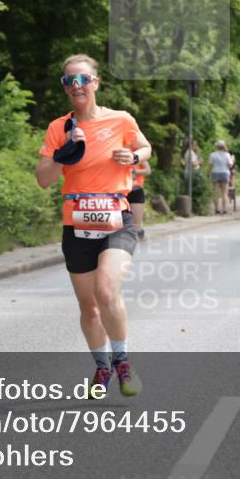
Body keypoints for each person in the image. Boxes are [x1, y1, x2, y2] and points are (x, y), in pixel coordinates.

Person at [35, 54, 150, 398]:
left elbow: (145, 147)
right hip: (77, 224)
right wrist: (61, 156)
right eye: (69, 81)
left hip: (117, 220)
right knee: (89, 308)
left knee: (105, 290)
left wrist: (134, 157)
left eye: (82, 79)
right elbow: (43, 179)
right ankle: (102, 367)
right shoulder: (60, 128)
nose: (76, 87)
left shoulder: (121, 120)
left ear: (95, 83)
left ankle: (124, 363)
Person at [207, 140, 234, 215]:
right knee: (224, 193)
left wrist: (208, 174)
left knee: (215, 192)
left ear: (217, 147)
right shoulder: (227, 155)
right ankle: (224, 209)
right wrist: (233, 160)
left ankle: (216, 209)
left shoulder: (213, 154)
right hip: (224, 173)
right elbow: (230, 166)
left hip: (215, 173)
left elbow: (210, 166)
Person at [129, 158, 151, 240]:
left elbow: (148, 171)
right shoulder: (117, 151)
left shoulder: (138, 153)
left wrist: (134, 171)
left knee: (137, 225)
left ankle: (139, 233)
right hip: (120, 191)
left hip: (136, 190)